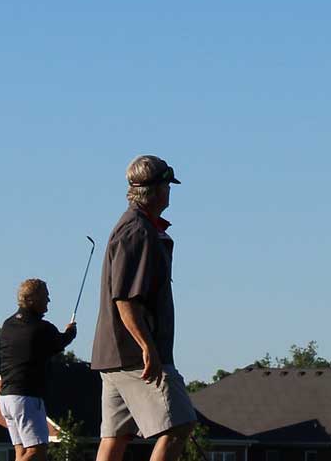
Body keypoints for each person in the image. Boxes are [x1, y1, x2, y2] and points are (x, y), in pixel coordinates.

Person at [91, 155, 196, 461]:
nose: (170, 192)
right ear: (158, 189)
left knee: (116, 436)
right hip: (135, 355)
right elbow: (125, 299)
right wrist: (147, 347)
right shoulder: (138, 231)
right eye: (168, 186)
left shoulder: (136, 227)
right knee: (179, 424)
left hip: (114, 354)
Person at [0, 279, 78, 461]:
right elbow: (60, 342)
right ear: (32, 299)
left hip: (5, 398)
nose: (49, 300)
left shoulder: (7, 325)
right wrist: (70, 332)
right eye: (45, 296)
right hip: (26, 398)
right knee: (37, 451)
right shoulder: (41, 328)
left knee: (21, 452)